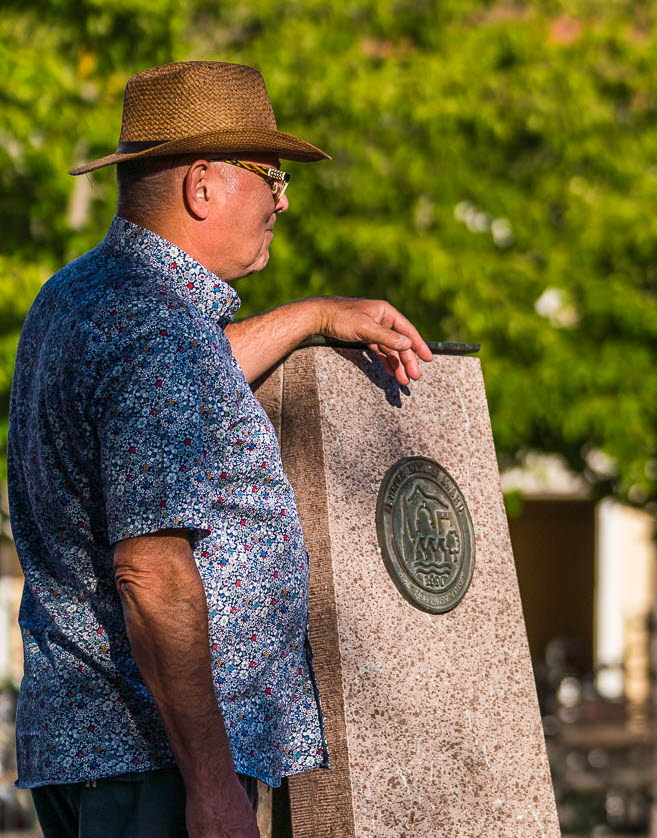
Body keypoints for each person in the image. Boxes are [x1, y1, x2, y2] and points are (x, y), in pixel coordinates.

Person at [7, 61, 434, 838]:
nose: (281, 198)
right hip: (160, 769)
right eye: (268, 176)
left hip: (99, 755)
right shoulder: (156, 331)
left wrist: (310, 316)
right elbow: (153, 571)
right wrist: (209, 786)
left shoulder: (87, 296)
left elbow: (178, 390)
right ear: (202, 186)